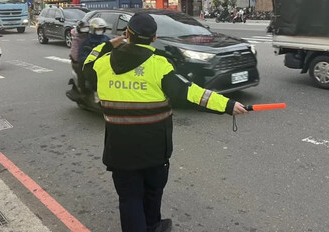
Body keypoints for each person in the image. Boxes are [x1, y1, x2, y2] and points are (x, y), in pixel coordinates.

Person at [83, 13, 248, 232]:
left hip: (120, 149)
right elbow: (190, 92)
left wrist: (107, 46)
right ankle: (153, 226)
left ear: (127, 34)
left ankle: (150, 226)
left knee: (129, 199)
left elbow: (87, 64)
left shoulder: (102, 65)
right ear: (154, 38)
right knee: (153, 192)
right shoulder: (160, 65)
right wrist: (227, 105)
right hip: (154, 149)